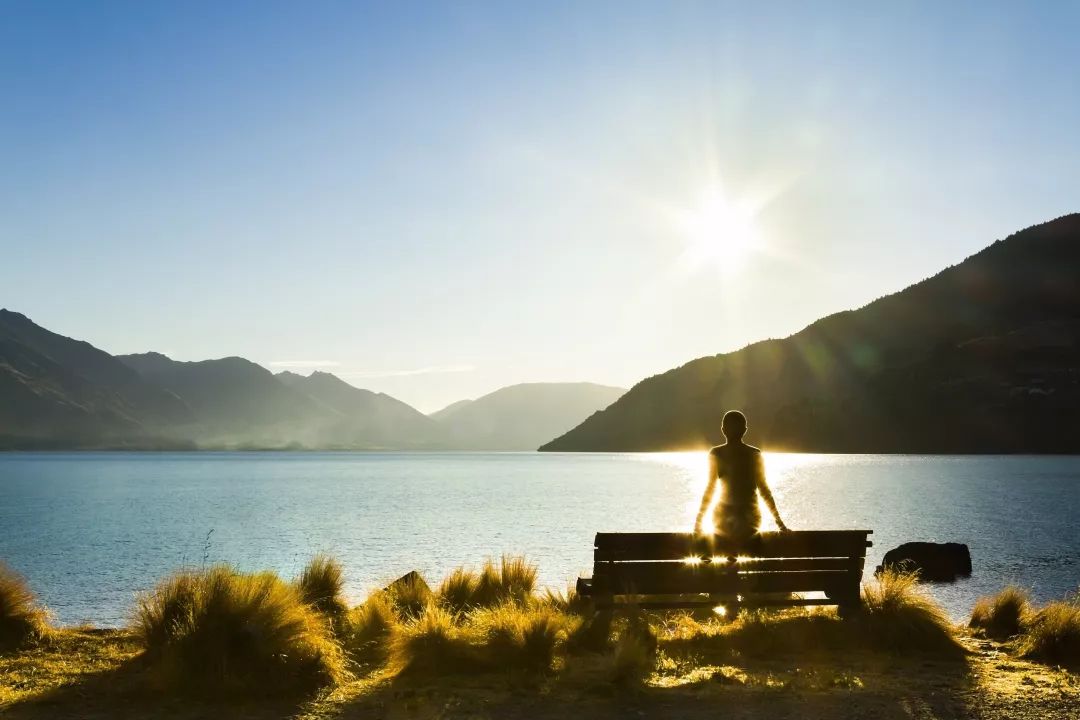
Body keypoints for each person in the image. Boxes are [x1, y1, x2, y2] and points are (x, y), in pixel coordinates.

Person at [693, 410, 788, 539]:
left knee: (724, 518)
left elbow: (710, 489)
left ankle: (728, 553)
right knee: (734, 520)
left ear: (723, 430)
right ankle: (731, 553)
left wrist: (698, 523)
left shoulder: (717, 454)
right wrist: (780, 524)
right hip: (750, 521)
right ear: (745, 430)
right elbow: (764, 490)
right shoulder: (755, 454)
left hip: (725, 521)